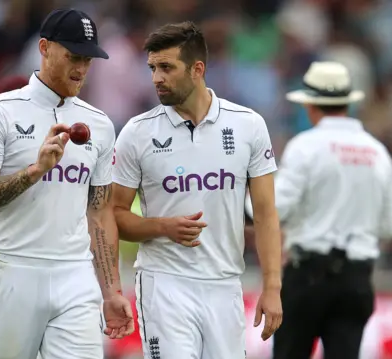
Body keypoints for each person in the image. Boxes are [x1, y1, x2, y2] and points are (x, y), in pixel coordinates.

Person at [0, 8, 134, 359]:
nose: (81, 68)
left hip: (75, 276)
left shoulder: (99, 125)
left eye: (88, 59)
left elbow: (99, 212)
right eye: (73, 56)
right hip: (12, 270)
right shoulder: (0, 111)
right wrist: (34, 171)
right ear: (44, 48)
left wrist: (112, 290)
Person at [111, 21, 284, 359]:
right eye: (152, 68)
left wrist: (273, 287)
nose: (156, 77)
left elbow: (265, 214)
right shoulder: (137, 132)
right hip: (164, 283)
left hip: (225, 285)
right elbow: (113, 215)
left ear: (197, 69)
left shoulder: (247, 125)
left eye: (166, 67)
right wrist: (163, 227)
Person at [249, 61, 392, 359]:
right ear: (347, 103)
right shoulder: (377, 152)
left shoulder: (306, 147)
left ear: (310, 106)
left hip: (309, 275)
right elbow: (387, 227)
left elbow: (270, 211)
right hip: (357, 278)